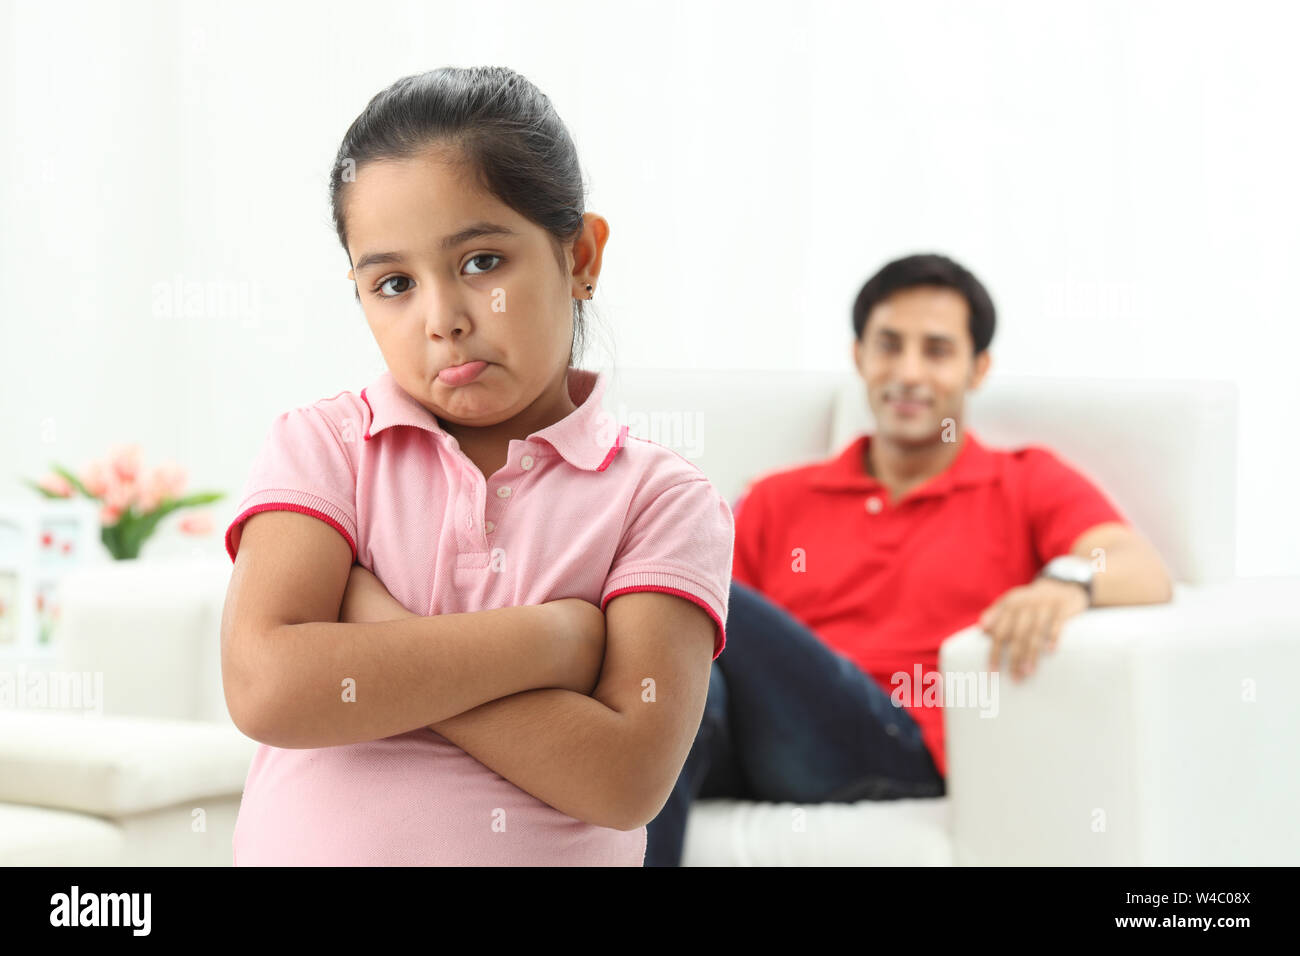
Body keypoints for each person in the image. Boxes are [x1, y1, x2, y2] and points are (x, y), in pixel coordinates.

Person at [220, 66, 734, 866]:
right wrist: (550, 640)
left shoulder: (661, 501)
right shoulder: (323, 448)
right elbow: (268, 688)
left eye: (482, 263)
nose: (443, 320)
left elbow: (625, 778)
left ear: (581, 258)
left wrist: (375, 626)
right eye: (394, 283)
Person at [644, 253, 1175, 866]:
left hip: (899, 745)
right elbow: (684, 641)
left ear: (979, 369)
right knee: (684, 685)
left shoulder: (1022, 482)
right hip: (763, 744)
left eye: (937, 351)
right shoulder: (778, 497)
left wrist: (1068, 581)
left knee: (689, 581)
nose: (909, 372)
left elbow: (1139, 565)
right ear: (859, 357)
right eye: (889, 346)